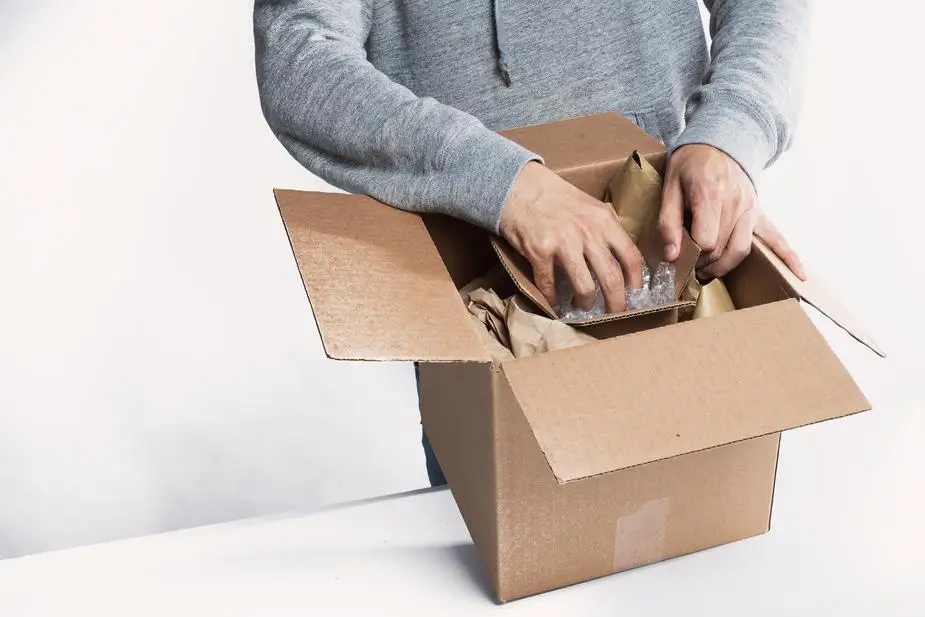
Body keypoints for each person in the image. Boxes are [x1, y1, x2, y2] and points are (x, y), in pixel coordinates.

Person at [254, 0, 809, 487]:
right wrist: (508, 185)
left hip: (672, 237)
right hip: (478, 285)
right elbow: (299, 56)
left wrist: (732, 130)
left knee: (704, 551)